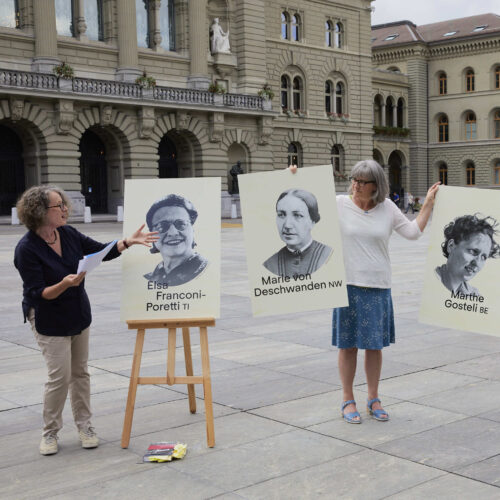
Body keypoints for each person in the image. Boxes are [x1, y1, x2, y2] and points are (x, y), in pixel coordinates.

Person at [289, 161, 439, 424]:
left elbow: (413, 233)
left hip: (378, 286)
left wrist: (428, 202)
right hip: (347, 285)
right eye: (354, 179)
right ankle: (347, 399)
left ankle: (373, 398)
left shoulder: (388, 208)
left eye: (362, 181)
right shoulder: (338, 203)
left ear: (376, 186)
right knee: (348, 347)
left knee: (374, 347)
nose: (356, 185)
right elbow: (301, 205)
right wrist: (293, 178)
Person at [14, 185, 158, 455]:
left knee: (80, 373)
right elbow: (38, 293)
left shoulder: (67, 233)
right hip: (48, 317)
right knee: (60, 376)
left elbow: (100, 251)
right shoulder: (27, 249)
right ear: (40, 212)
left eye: (64, 204)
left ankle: (85, 426)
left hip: (78, 312)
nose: (65, 209)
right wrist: (64, 284)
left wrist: (127, 242)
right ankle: (50, 433)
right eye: (59, 206)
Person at [263, 188, 332, 278]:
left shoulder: (329, 256)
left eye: (297, 215)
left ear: (312, 221)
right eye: (281, 215)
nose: (287, 225)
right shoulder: (269, 264)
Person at [144, 194, 208, 286]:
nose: (172, 232)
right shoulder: (147, 280)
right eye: (162, 226)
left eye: (181, 224)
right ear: (151, 234)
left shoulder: (207, 271)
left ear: (192, 230)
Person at [435, 214, 499, 296]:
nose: (477, 263)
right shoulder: (430, 279)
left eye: (483, 257)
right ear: (451, 246)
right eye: (473, 251)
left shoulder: (475, 295)